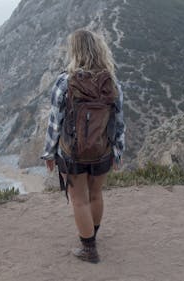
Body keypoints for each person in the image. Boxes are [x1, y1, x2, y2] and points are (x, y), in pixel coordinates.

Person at [40, 29, 125, 264]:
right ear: (99, 50)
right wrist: (118, 152)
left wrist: (48, 153)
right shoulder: (111, 81)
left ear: (74, 52)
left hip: (72, 155)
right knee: (96, 194)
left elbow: (55, 122)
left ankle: (89, 249)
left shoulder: (65, 82)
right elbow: (119, 122)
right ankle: (92, 236)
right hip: (103, 151)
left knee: (79, 200)